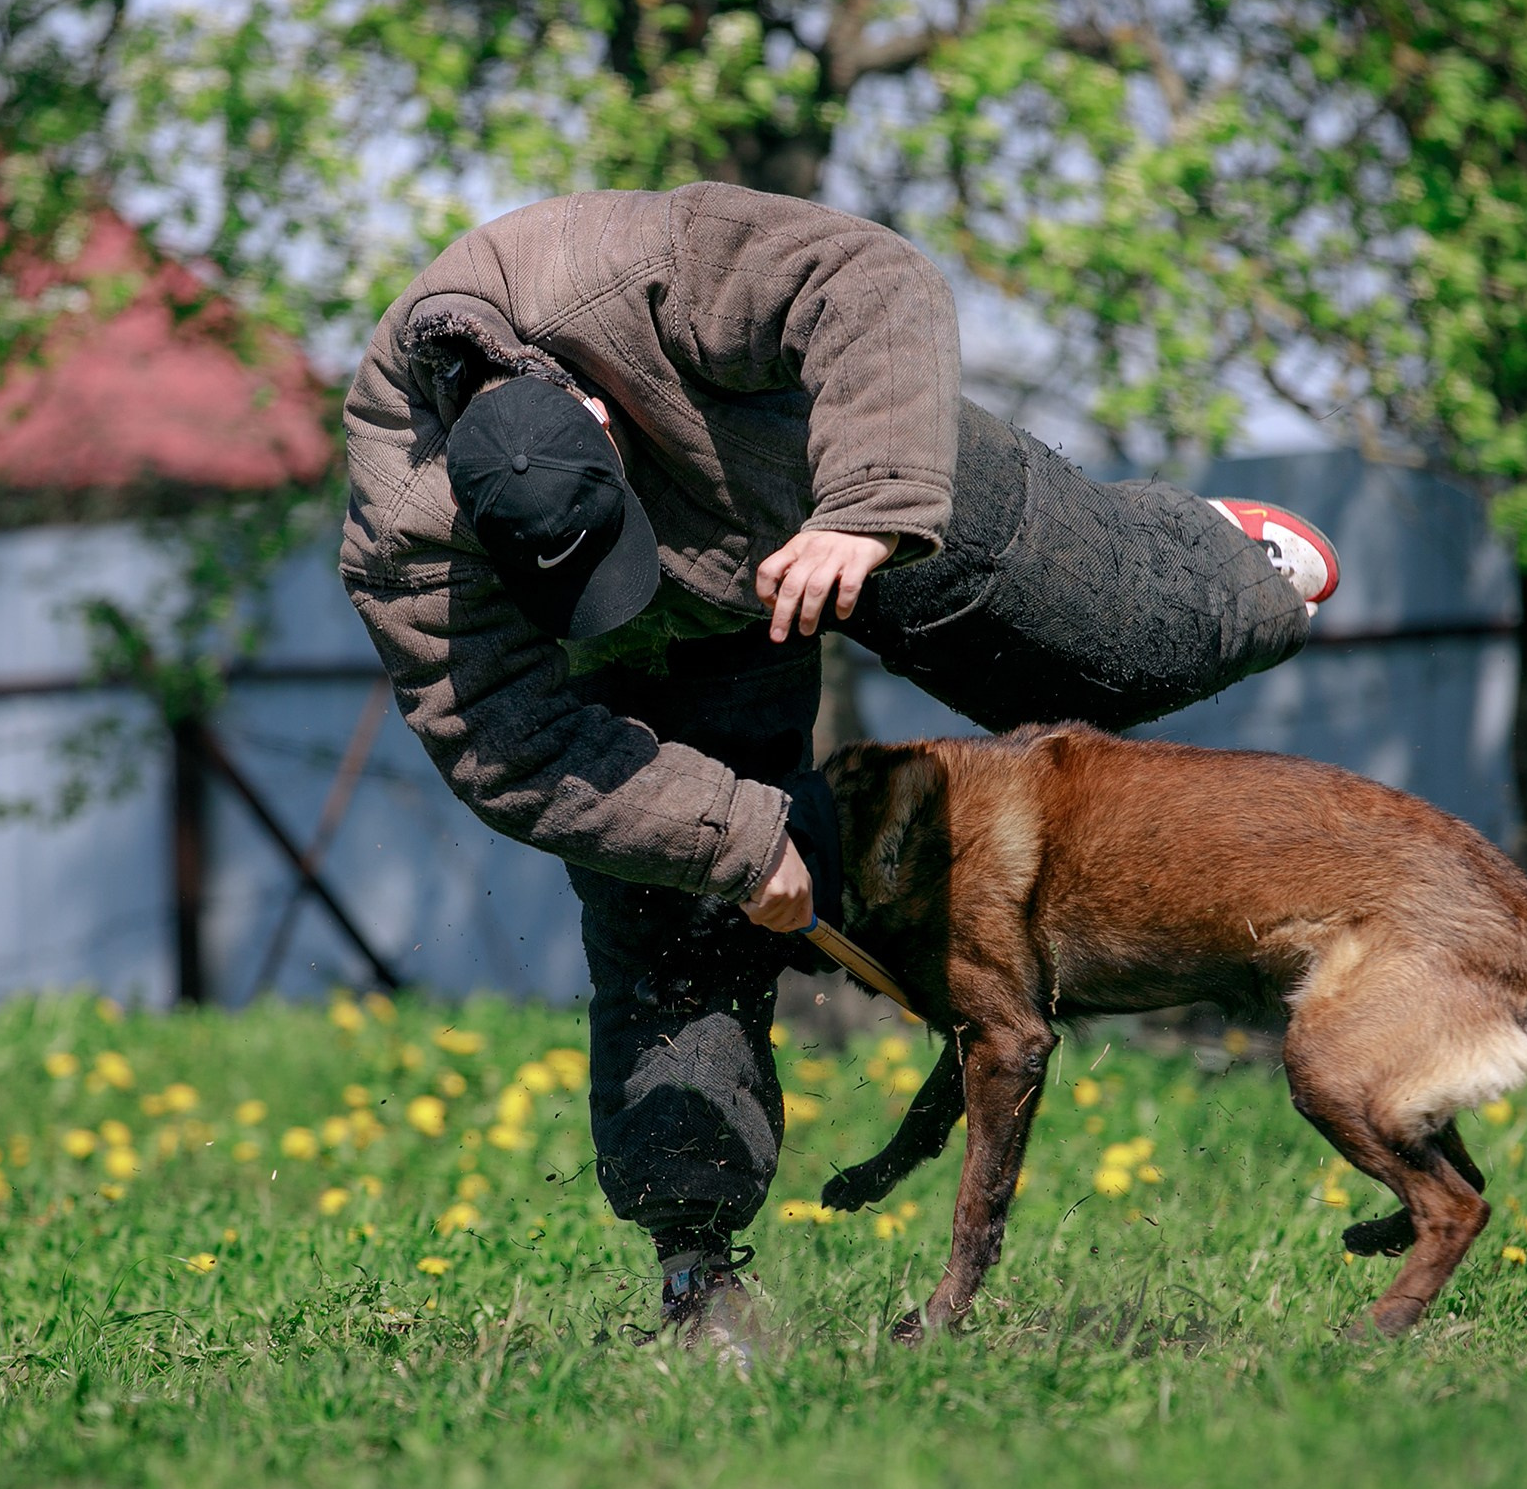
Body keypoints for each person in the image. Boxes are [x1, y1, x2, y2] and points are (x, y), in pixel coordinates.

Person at [338, 183, 1337, 1362]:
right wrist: (733, 835)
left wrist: (867, 509)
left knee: (1118, 657)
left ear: (601, 418)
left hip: (824, 472)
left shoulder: (637, 267)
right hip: (666, 655)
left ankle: (1207, 562)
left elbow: (873, 280)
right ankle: (697, 1279)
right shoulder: (406, 536)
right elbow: (499, 742)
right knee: (672, 916)